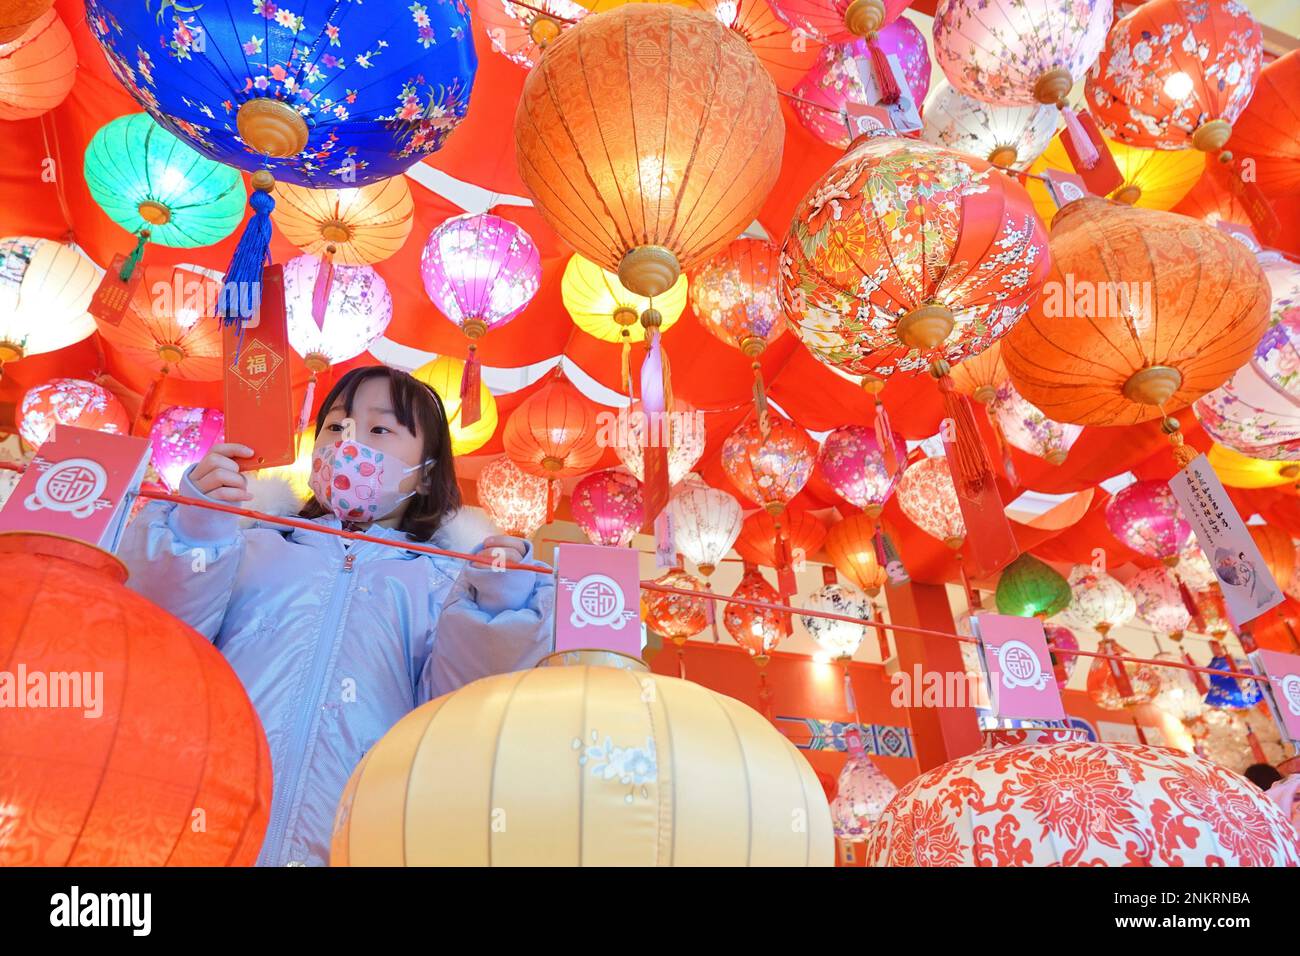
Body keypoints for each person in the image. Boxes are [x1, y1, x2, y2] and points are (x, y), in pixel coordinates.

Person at [119, 366, 555, 865]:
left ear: (427, 472)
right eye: (336, 425)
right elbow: (164, 640)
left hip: (360, 838)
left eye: (379, 429)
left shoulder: (443, 580)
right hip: (201, 823)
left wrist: (496, 607)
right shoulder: (251, 541)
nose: (349, 441)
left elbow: (458, 714)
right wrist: (193, 528)